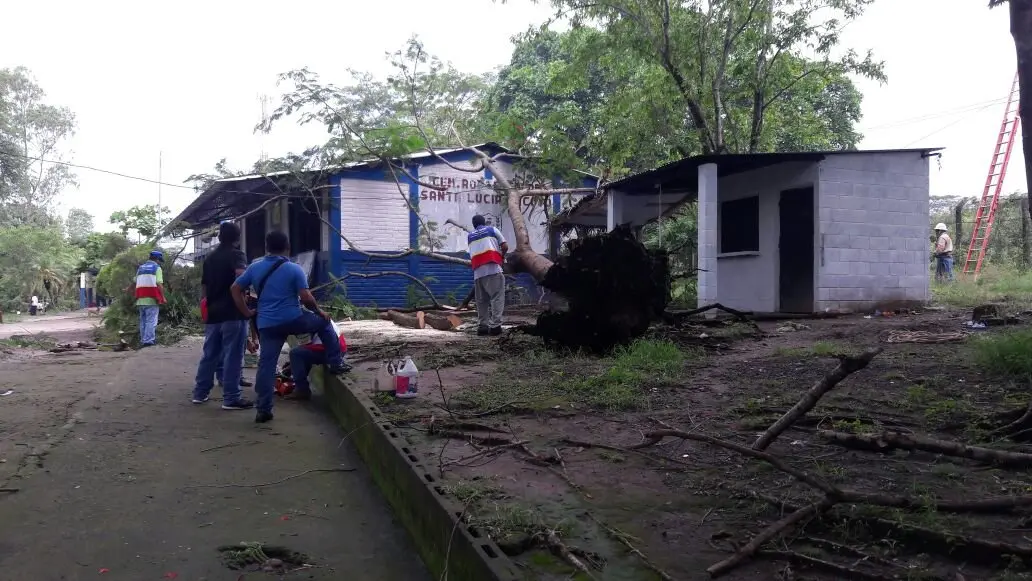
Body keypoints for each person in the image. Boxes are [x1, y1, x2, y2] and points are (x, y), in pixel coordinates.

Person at [231, 231, 348, 423]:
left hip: (267, 325)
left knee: (266, 365)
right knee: (324, 324)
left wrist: (245, 312)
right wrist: (319, 312)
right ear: (287, 247)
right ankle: (336, 363)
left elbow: (235, 288)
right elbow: (306, 298)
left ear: (267, 247)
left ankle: (263, 409)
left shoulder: (254, 268)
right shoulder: (294, 269)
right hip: (293, 319)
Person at [191, 222, 254, 409]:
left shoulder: (210, 258)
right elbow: (241, 278)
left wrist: (207, 307)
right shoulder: (237, 255)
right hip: (233, 313)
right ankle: (231, 398)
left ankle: (200, 393)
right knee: (233, 356)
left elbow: (204, 288)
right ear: (237, 238)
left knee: (210, 355)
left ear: (219, 237)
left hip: (213, 312)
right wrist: (246, 309)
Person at [285, 320, 351, 400]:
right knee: (299, 354)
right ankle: (299, 383)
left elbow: (307, 346)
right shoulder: (313, 315)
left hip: (330, 350)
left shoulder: (306, 322)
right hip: (336, 348)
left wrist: (293, 365)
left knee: (295, 354)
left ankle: (302, 390)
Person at [467, 214, 509, 336]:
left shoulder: (470, 236)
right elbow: (505, 246)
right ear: (484, 222)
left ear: (474, 225)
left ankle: (482, 327)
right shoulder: (492, 229)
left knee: (481, 301)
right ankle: (495, 326)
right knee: (497, 297)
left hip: (477, 272)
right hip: (493, 268)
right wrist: (502, 255)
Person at [133, 250, 166, 347]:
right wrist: (163, 297)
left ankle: (144, 340)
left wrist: (128, 289)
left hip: (140, 299)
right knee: (151, 321)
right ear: (157, 259)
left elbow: (135, 281)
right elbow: (159, 283)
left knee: (143, 321)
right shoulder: (157, 268)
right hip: (152, 298)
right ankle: (149, 341)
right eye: (160, 260)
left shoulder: (140, 268)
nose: (159, 262)